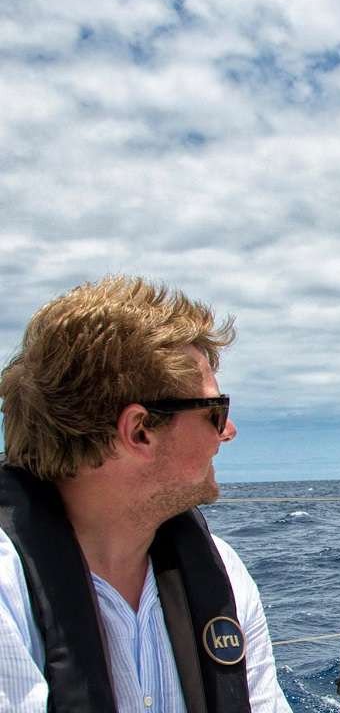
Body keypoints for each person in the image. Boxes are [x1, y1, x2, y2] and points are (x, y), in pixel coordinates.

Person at [0, 276, 292, 712]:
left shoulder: (223, 570)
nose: (228, 432)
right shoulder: (7, 587)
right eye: (215, 412)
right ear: (139, 431)